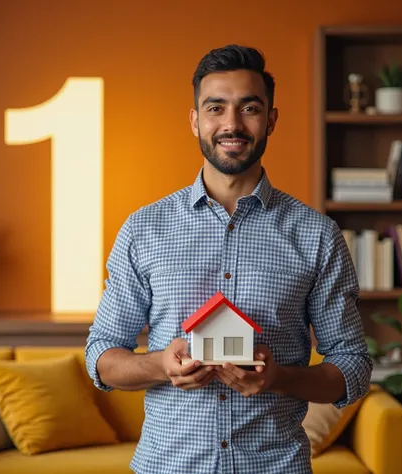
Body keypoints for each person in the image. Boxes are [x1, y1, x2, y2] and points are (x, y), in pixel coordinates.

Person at [85, 44, 372, 474]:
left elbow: (352, 367)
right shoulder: (144, 229)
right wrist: (162, 365)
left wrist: (278, 378)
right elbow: (102, 357)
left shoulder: (317, 235)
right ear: (195, 120)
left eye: (249, 108)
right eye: (215, 108)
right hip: (168, 466)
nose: (232, 124)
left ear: (271, 120)